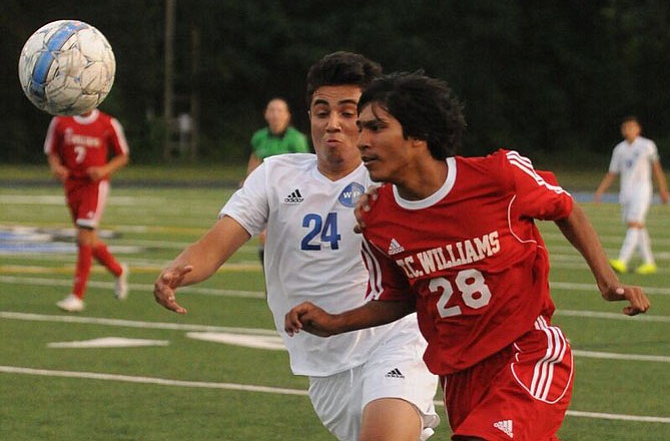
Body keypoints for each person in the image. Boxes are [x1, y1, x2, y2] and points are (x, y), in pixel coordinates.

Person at [285, 72, 651, 441]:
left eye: (375, 128)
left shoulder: (499, 177)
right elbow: (400, 299)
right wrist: (335, 321)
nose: (360, 140)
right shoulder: (376, 219)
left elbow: (565, 207)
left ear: (417, 134)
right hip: (460, 379)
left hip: (526, 353)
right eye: (361, 128)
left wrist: (608, 282)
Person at [154, 52, 440, 441]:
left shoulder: (391, 181)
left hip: (395, 339)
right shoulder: (275, 175)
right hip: (323, 362)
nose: (333, 124)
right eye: (322, 112)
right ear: (309, 116)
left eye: (348, 112)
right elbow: (216, 243)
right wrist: (177, 272)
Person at [44, 108, 130, 312]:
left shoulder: (108, 123)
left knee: (83, 237)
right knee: (88, 240)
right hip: (72, 184)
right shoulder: (60, 121)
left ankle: (77, 296)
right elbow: (52, 151)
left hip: (95, 186)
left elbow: (123, 156)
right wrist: (56, 167)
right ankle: (118, 270)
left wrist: (103, 170)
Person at [594, 115, 669, 274]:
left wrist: (663, 189)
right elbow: (612, 173)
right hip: (625, 192)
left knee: (634, 223)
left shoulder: (647, 146)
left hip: (642, 190)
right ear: (623, 130)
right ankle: (649, 262)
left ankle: (622, 260)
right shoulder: (619, 149)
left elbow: (657, 169)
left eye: (632, 127)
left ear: (638, 129)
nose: (629, 130)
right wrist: (600, 191)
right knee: (637, 225)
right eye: (626, 128)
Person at [244, 97, 310, 263]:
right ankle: (271, 284)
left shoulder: (296, 139)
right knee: (265, 239)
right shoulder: (259, 137)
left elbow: (304, 168)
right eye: (271, 110)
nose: (275, 115)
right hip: (266, 193)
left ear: (287, 116)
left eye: (279, 111)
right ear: (266, 114)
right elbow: (254, 160)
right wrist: (247, 183)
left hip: (290, 194)